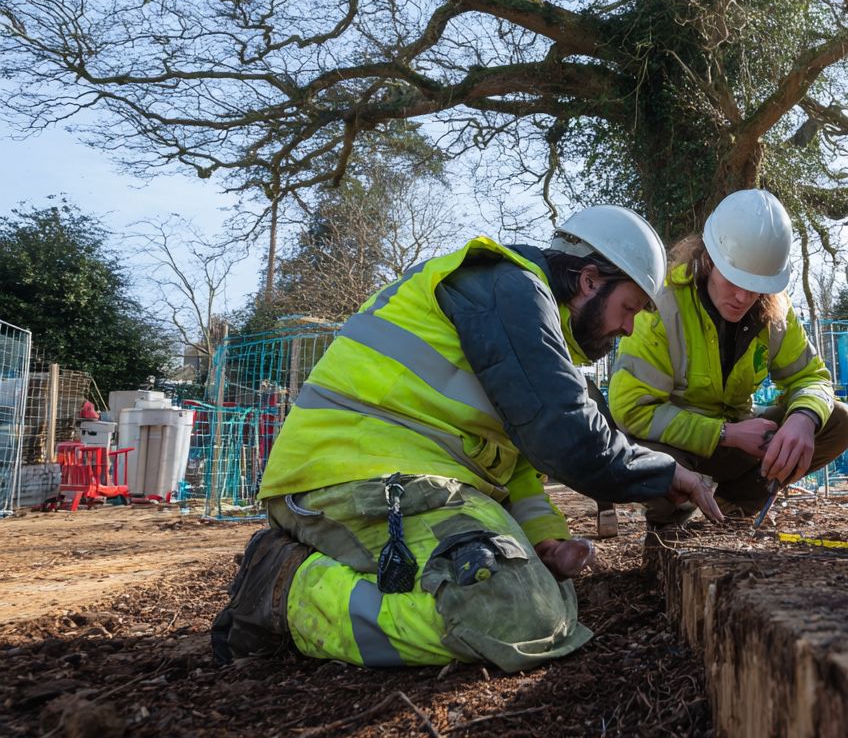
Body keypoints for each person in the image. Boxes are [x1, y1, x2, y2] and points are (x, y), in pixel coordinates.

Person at [211, 206, 723, 672]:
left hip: (387, 477)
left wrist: (545, 539)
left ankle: (314, 578)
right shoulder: (512, 290)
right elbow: (564, 436)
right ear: (590, 282)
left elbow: (513, 460)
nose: (630, 329)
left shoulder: (513, 308)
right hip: (352, 475)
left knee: (549, 600)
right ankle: (285, 587)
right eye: (629, 308)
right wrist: (664, 472)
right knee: (518, 616)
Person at [608, 189, 848, 524]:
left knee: (837, 421)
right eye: (733, 280)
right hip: (676, 447)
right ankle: (671, 522)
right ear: (709, 259)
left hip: (741, 445)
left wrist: (804, 418)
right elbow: (631, 411)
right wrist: (727, 434)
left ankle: (734, 506)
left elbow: (812, 378)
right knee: (653, 461)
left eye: (756, 287)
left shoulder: (777, 311)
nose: (742, 297)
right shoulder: (661, 303)